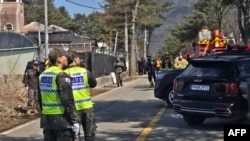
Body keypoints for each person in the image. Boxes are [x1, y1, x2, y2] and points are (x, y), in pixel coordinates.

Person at [38, 48, 80, 141]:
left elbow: (40, 98)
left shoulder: (42, 75)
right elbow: (67, 100)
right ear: (59, 59)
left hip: (47, 120)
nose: (67, 59)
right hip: (62, 120)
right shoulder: (61, 75)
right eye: (65, 57)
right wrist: (74, 120)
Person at [64, 51, 97, 141]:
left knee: (75, 134)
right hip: (86, 107)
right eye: (78, 57)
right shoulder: (84, 72)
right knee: (90, 134)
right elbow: (93, 84)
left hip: (72, 109)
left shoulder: (64, 73)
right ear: (74, 59)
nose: (80, 59)